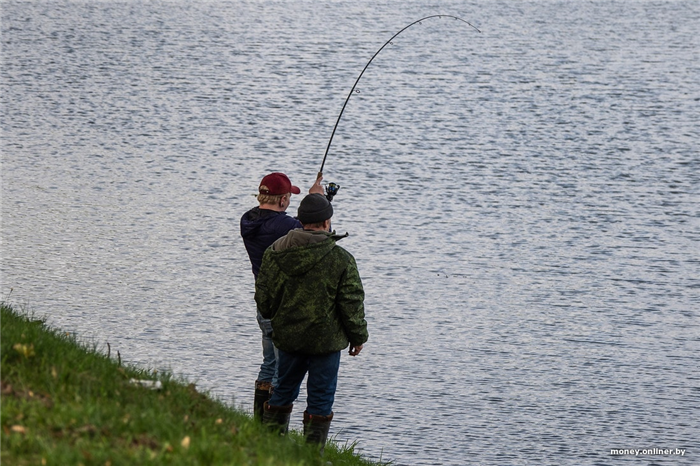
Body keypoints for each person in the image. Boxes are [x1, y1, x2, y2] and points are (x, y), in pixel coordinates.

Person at [255, 193, 368, 453]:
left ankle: (270, 448)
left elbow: (263, 297)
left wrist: (280, 320)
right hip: (326, 343)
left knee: (283, 389)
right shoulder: (341, 258)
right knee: (321, 398)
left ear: (300, 221)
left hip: (289, 338)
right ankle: (312, 457)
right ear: (327, 222)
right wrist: (358, 337)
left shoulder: (274, 253)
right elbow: (351, 303)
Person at [240, 172, 323, 420]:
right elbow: (317, 237)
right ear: (283, 200)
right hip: (283, 306)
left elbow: (289, 227)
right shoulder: (287, 227)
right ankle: (272, 429)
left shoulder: (248, 220)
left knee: (269, 363)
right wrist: (317, 202)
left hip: (264, 301)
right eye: (288, 197)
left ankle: (259, 424)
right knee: (282, 370)